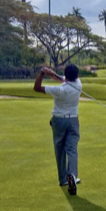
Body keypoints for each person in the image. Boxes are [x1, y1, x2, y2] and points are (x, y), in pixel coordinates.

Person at [34, 65, 82, 195]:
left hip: (58, 120)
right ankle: (72, 175)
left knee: (59, 150)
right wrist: (52, 73)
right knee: (72, 149)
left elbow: (37, 88)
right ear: (76, 76)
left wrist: (42, 73)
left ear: (66, 75)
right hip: (73, 120)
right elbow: (63, 79)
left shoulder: (59, 90)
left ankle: (63, 179)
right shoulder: (78, 84)